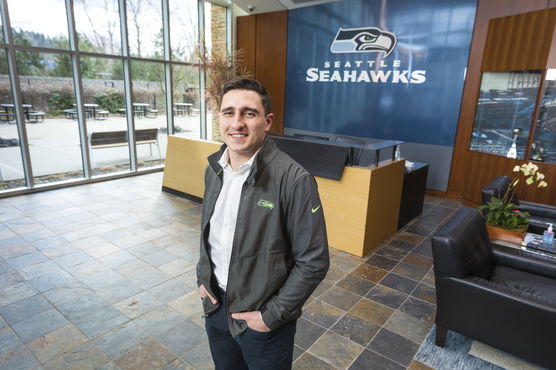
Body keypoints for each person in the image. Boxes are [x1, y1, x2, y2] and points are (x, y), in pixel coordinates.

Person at [196, 77, 329, 370]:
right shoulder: (213, 168)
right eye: (228, 112)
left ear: (267, 122)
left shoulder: (294, 180)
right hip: (216, 307)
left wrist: (270, 317)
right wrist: (202, 280)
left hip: (262, 320)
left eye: (249, 113)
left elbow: (314, 261)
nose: (237, 123)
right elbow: (211, 235)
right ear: (219, 118)